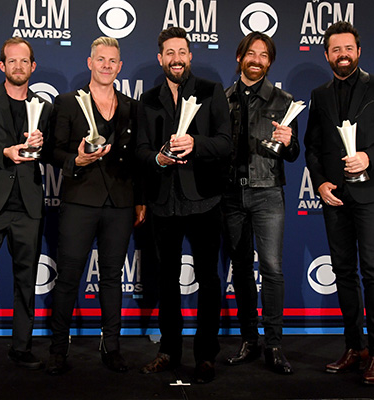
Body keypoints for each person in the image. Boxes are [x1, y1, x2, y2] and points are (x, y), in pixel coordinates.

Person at [136, 27, 232, 383]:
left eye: (181, 52)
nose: (176, 59)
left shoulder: (210, 91)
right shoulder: (148, 100)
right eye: (169, 53)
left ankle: (206, 355)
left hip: (204, 200)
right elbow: (141, 150)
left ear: (190, 56)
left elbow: (226, 143)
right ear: (160, 58)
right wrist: (157, 159)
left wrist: (196, 143)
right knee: (166, 281)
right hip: (163, 202)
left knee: (208, 279)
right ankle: (169, 351)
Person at [46, 37, 145, 375]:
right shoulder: (67, 102)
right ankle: (58, 349)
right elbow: (53, 151)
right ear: (90, 63)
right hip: (79, 201)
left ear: (120, 66)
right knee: (68, 277)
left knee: (112, 278)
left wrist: (140, 200)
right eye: (100, 59)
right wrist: (75, 160)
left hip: (120, 203)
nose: (106, 65)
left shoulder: (132, 107)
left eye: (112, 60)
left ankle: (111, 347)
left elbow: (139, 159)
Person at [305, 21, 374, 385]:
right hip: (335, 196)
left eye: (348, 48)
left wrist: (369, 157)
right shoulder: (320, 94)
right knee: (343, 272)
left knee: (372, 271)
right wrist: (320, 181)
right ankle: (355, 347)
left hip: (372, 195)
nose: (342, 55)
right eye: (336, 49)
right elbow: (312, 146)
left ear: (358, 52)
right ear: (326, 55)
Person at [222, 32, 299, 375]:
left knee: (271, 268)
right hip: (230, 196)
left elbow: (293, 154)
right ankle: (249, 340)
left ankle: (274, 345)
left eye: (264, 55)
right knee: (240, 268)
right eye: (251, 53)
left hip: (268, 192)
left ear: (270, 62)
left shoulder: (284, 101)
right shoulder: (222, 99)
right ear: (240, 58)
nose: (257, 60)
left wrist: (289, 141)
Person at [0, 37, 52, 369]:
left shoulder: (44, 107)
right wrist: (4, 153)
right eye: (12, 61)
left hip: (28, 206)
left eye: (24, 61)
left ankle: (21, 347)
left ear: (33, 66)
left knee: (27, 280)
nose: (18, 66)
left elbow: (53, 153)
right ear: (2, 66)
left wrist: (43, 145)